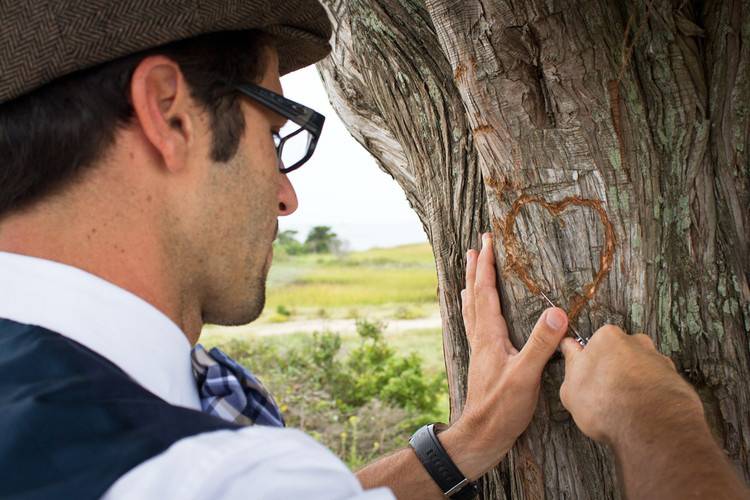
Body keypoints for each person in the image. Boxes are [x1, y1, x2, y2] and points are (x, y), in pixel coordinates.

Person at [0, 1, 746, 499]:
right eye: (277, 131)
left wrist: (468, 440)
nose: (287, 197)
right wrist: (656, 418)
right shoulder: (205, 477)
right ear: (170, 114)